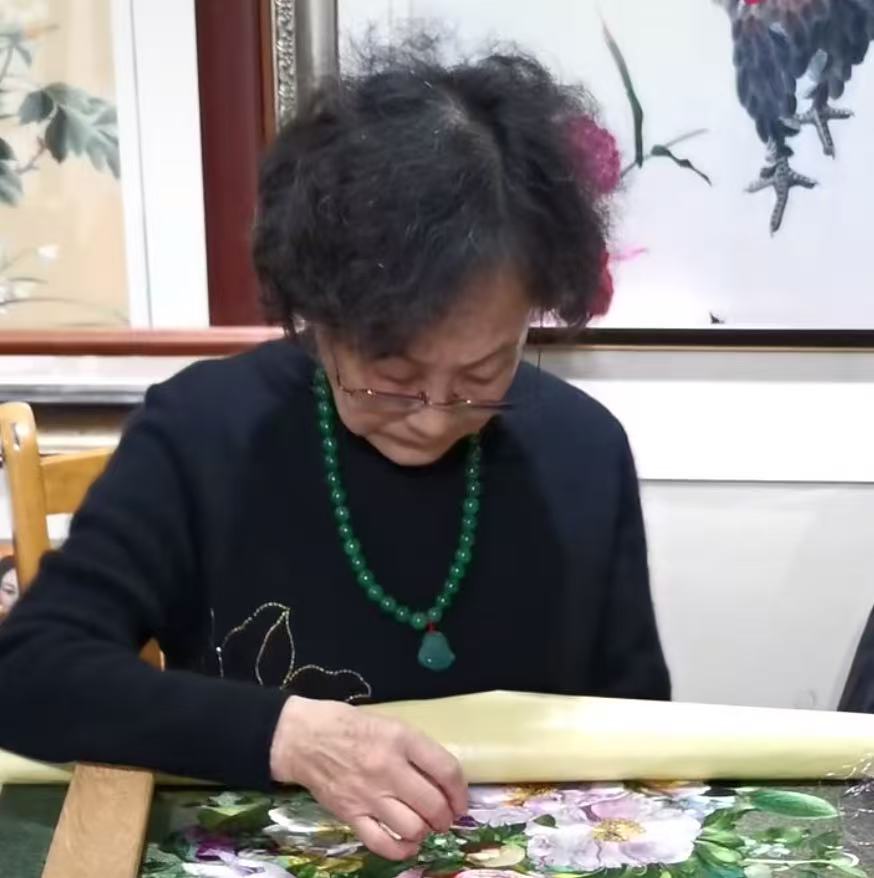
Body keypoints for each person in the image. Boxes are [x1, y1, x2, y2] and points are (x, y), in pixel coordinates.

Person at [0, 42, 669, 860]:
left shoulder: (584, 452)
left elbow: (640, 732)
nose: (435, 414)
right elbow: (28, 673)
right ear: (321, 315)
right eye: (393, 376)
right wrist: (283, 735)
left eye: (482, 374)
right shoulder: (203, 434)